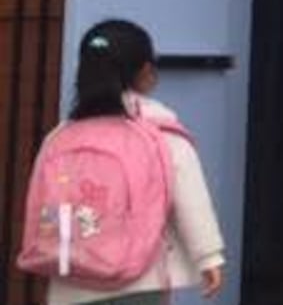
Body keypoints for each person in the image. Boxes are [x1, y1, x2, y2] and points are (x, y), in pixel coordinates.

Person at [43, 19, 226, 305]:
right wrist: (208, 257)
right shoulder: (160, 129)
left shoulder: (61, 136)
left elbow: (49, 203)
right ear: (146, 72)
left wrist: (55, 251)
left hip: (73, 280)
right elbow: (191, 200)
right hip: (142, 280)